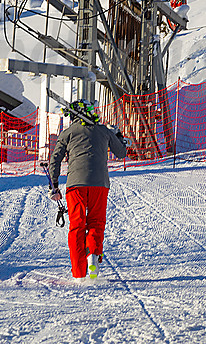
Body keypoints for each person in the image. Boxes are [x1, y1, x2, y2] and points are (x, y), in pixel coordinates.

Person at [48, 99, 127, 280]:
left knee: (77, 226)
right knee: (96, 223)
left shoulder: (67, 133)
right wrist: (118, 135)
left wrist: (54, 185)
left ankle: (78, 272)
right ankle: (93, 254)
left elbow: (55, 159)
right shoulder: (104, 131)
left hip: (75, 185)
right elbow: (122, 152)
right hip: (100, 184)